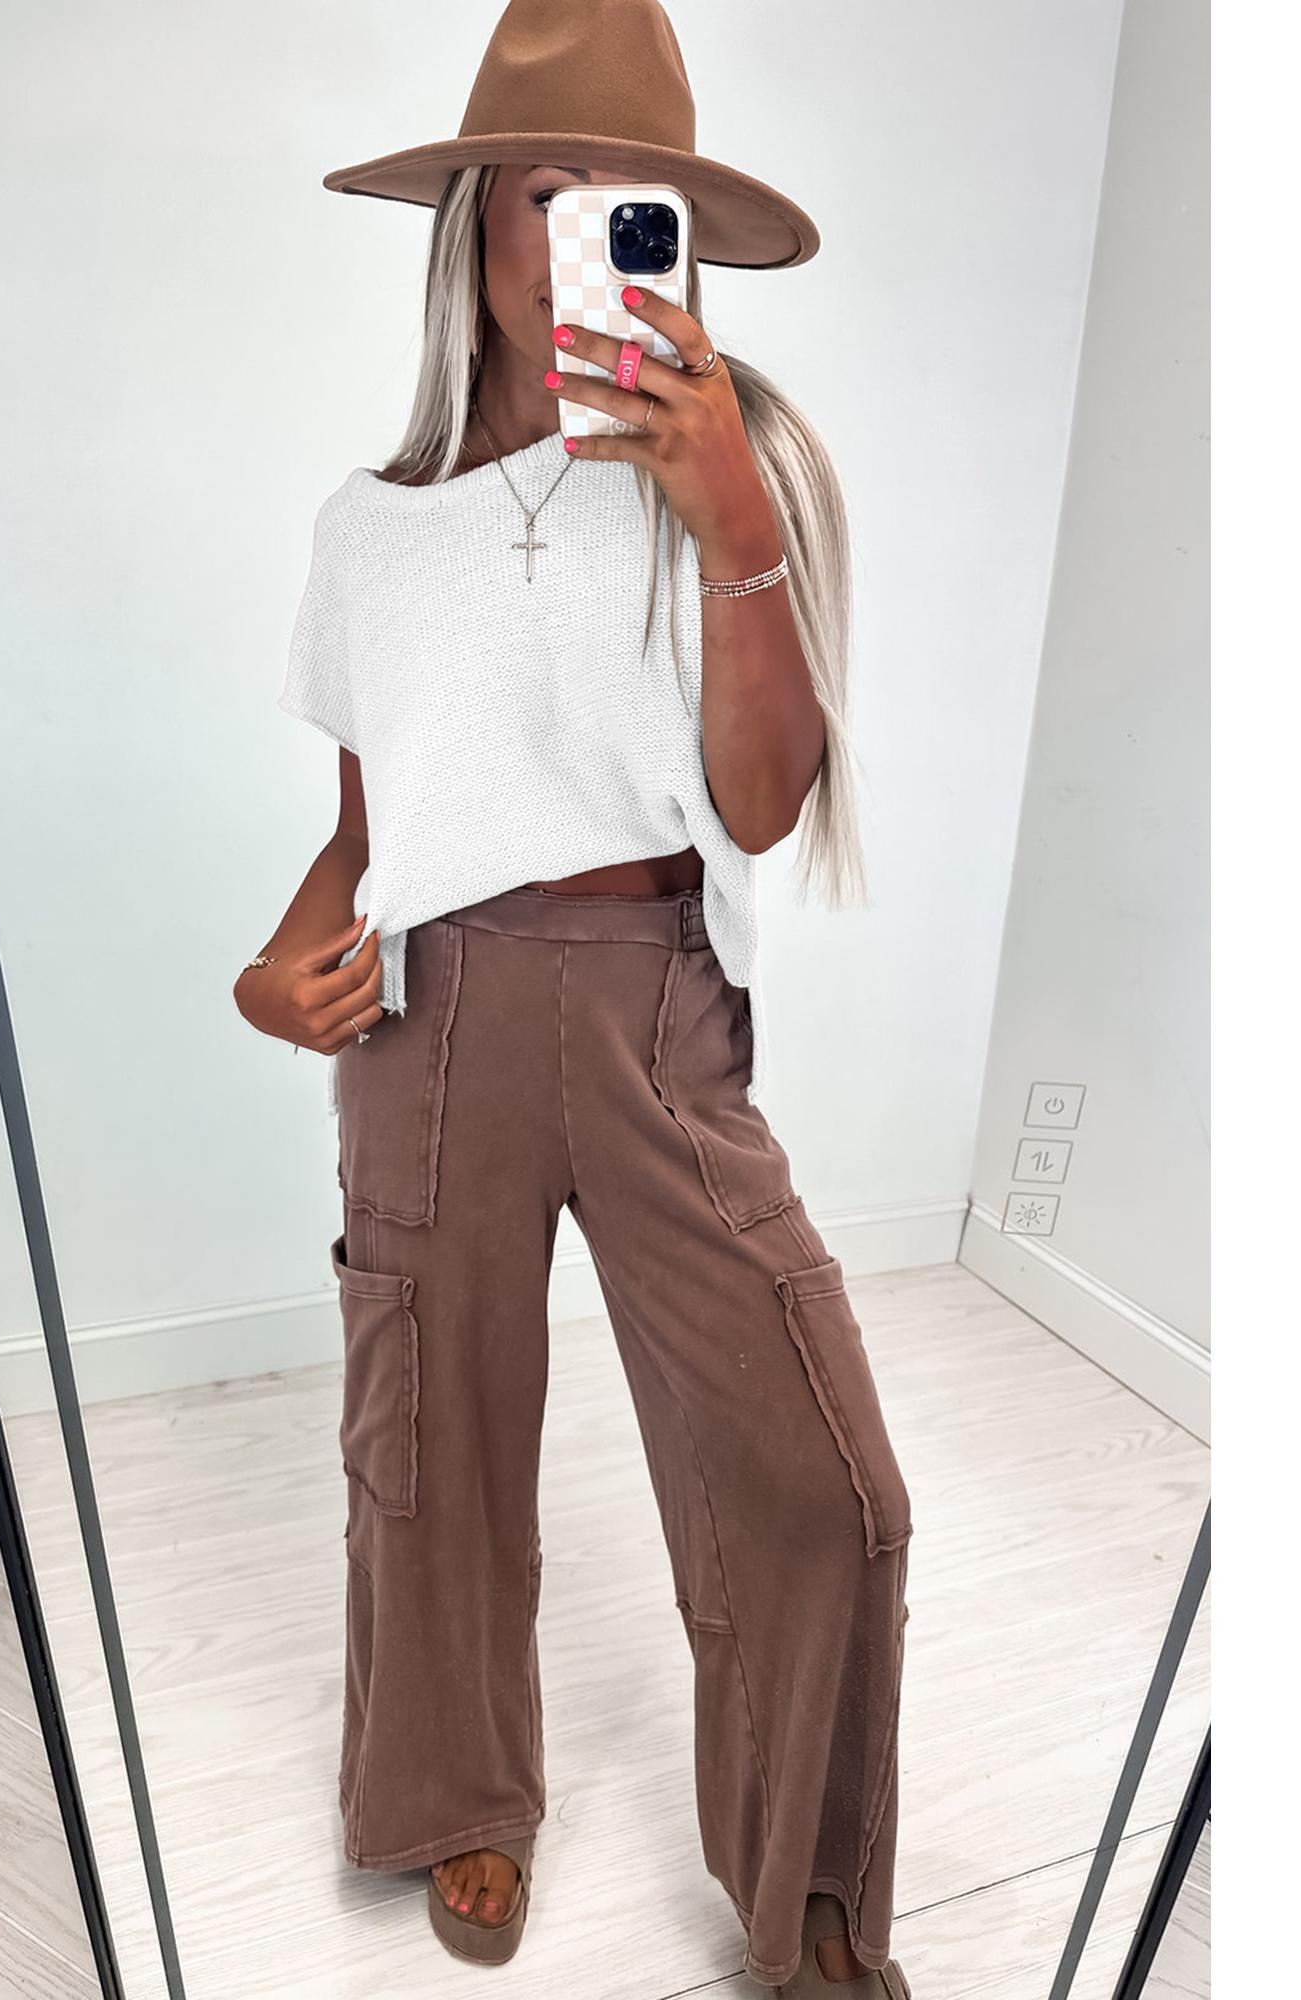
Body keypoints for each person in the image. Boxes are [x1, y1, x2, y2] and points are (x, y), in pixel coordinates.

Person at [233, 4, 914, 1994]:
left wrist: (732, 527)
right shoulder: (367, 529)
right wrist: (275, 968)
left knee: (823, 1484)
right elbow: (366, 834)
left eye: (625, 204)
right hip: (427, 1022)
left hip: (655, 1010)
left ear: (673, 239)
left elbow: (763, 806)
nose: (571, 239)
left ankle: (807, 1901)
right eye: (541, 193)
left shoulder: (744, 464)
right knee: (427, 1444)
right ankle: (456, 1791)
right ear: (473, 225)